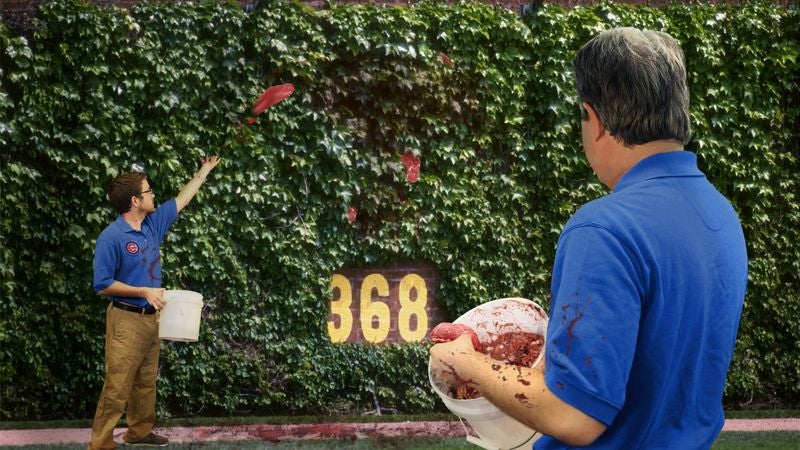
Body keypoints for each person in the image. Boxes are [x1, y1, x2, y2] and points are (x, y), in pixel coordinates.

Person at [430, 27, 748, 449]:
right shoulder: (718, 210)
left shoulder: (604, 228)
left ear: (594, 120)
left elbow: (575, 416)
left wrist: (466, 361)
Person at [88, 156, 221, 450]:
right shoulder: (111, 238)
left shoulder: (151, 226)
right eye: (148, 192)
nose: (152, 195)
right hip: (125, 320)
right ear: (135, 200)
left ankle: (139, 431)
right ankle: (100, 444)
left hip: (151, 319)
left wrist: (203, 171)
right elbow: (102, 284)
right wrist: (143, 291)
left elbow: (180, 200)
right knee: (117, 385)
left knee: (145, 382)